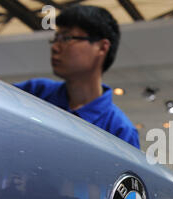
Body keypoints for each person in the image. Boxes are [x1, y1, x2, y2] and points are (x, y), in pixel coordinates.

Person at [14, 5, 140, 149]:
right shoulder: (35, 93)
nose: (55, 47)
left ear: (102, 47)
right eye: (56, 38)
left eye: (66, 38)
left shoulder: (120, 131)